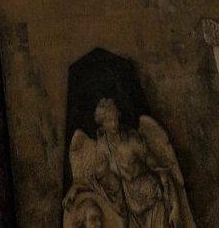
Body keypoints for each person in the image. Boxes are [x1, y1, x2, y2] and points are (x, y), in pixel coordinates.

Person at [66, 97, 195, 228]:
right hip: (132, 210)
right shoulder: (103, 149)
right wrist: (76, 188)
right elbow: (96, 180)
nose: (114, 124)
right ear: (102, 124)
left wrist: (175, 206)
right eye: (109, 121)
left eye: (115, 119)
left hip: (152, 201)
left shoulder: (132, 141)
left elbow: (161, 172)